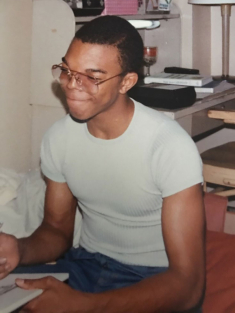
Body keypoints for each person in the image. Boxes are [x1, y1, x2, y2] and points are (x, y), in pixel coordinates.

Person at [0, 15, 205, 313]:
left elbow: (189, 285)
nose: (72, 84)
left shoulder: (169, 147)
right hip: (87, 266)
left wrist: (86, 306)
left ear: (127, 82)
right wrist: (19, 248)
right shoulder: (59, 138)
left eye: (92, 77)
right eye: (68, 70)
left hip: (157, 281)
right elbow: (56, 232)